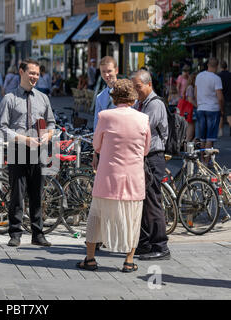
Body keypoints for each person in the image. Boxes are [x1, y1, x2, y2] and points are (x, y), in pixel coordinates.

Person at [77, 79, 151, 272]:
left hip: (108, 176)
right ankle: (128, 261)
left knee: (96, 216)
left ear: (114, 97)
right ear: (133, 99)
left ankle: (91, 258)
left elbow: (97, 146)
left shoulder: (105, 116)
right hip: (133, 176)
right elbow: (146, 149)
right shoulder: (143, 119)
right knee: (133, 217)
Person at [0, 59, 56, 247]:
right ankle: (15, 233)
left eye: (37, 74)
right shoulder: (9, 98)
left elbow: (52, 122)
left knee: (37, 193)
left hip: (38, 151)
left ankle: (37, 233)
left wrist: (48, 134)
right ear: (21, 72)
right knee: (17, 194)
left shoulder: (43, 98)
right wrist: (24, 139)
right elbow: (2, 127)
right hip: (18, 150)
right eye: (31, 73)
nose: (35, 77)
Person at [131, 69, 170, 261]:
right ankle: (145, 244)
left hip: (154, 158)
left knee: (153, 202)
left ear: (149, 84)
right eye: (134, 87)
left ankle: (160, 245)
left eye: (138, 87)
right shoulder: (141, 103)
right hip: (144, 158)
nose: (136, 91)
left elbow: (141, 129)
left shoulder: (155, 105)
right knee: (144, 202)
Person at [91, 56, 119, 171]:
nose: (106, 75)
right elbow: (96, 126)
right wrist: (95, 152)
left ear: (116, 70)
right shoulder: (100, 97)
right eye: (103, 72)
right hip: (105, 147)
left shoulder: (127, 92)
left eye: (109, 71)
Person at [195, 57, 225, 161]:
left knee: (202, 137)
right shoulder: (216, 78)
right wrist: (222, 110)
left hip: (201, 108)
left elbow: (196, 92)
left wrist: (198, 104)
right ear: (216, 66)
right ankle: (206, 163)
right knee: (210, 138)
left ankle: (203, 161)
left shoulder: (199, 76)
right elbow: (220, 97)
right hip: (213, 109)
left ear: (207, 64)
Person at [218, 61, 231, 137]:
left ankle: (220, 131)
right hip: (229, 97)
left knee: (221, 115)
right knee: (229, 115)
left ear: (220, 67)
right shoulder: (230, 75)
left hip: (221, 97)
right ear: (227, 67)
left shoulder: (218, 76)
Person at [184, 73, 198, 142]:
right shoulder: (190, 87)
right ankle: (186, 148)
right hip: (191, 111)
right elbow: (190, 100)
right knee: (190, 133)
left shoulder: (190, 87)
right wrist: (197, 106)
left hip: (191, 111)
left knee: (191, 132)